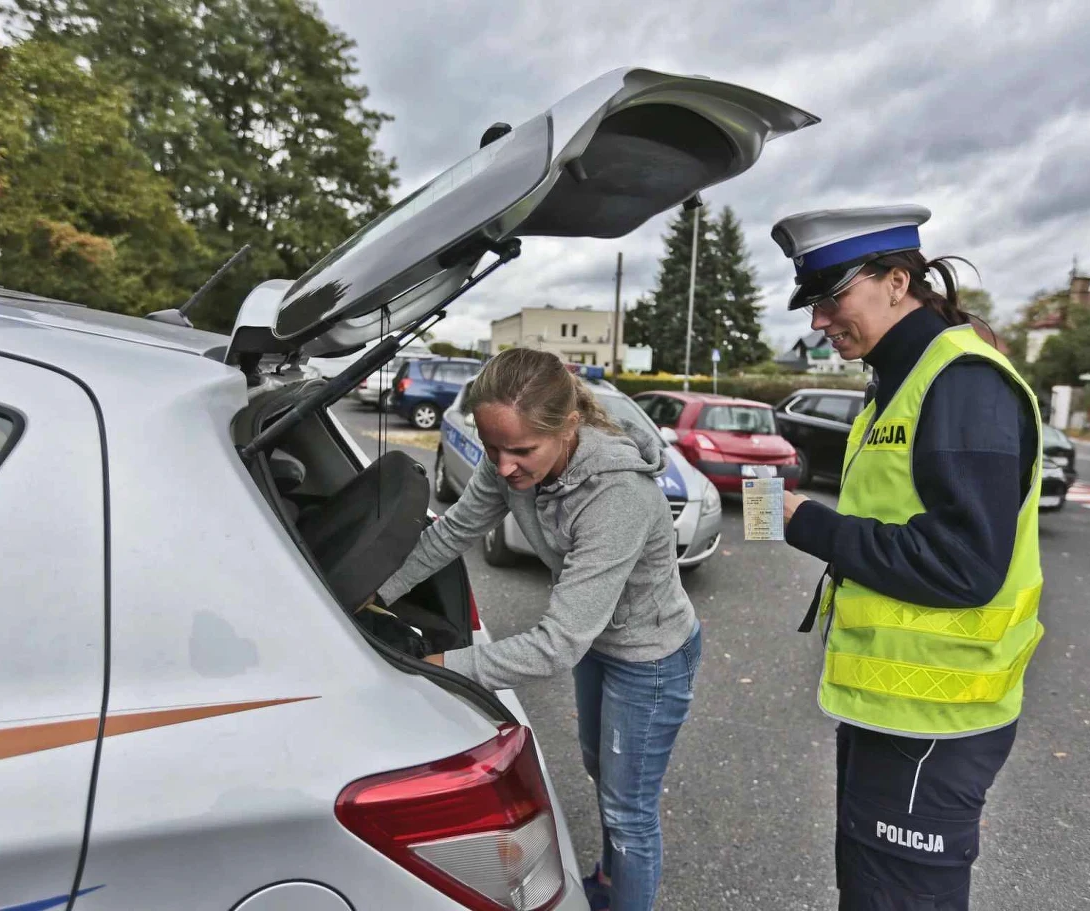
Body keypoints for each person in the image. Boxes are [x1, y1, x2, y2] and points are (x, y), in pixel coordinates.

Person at [770, 205, 1044, 910]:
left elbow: (965, 564)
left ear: (897, 281)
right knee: (869, 885)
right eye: (812, 303)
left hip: (935, 721)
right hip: (898, 711)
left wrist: (811, 525)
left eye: (832, 299)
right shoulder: (896, 380)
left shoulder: (961, 381)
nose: (818, 321)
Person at [373, 347, 702, 911]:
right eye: (493, 447)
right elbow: (451, 534)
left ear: (568, 426)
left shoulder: (618, 496)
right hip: (599, 639)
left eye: (522, 451)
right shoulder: (510, 458)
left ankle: (627, 892)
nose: (504, 467)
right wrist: (374, 593)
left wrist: (435, 670)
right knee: (602, 769)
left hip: (651, 656)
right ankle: (609, 879)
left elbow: (556, 645)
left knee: (630, 811)